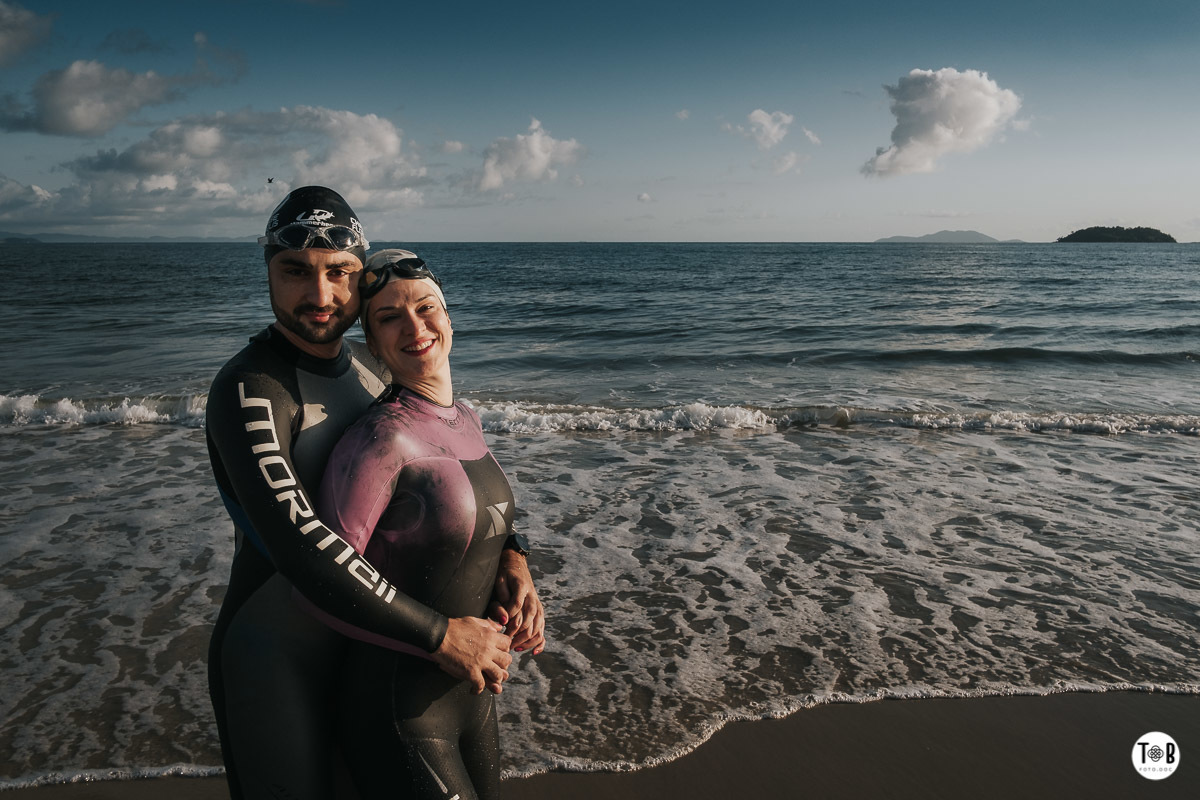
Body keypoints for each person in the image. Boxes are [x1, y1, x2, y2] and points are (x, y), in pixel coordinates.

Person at [206, 188, 544, 800]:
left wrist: (511, 555)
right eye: (295, 272)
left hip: (371, 640)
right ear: (267, 270)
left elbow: (441, 466)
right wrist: (442, 635)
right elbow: (303, 546)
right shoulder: (251, 389)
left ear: (359, 277)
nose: (320, 295)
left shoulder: (369, 365)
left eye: (339, 273)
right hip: (277, 656)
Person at [312, 249, 537, 800]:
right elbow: (322, 585)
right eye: (389, 317)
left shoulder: (466, 419)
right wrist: (438, 640)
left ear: (449, 317)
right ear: (370, 339)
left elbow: (478, 519)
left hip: (472, 697)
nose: (415, 327)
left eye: (425, 307)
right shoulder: (379, 441)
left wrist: (517, 566)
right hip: (397, 709)